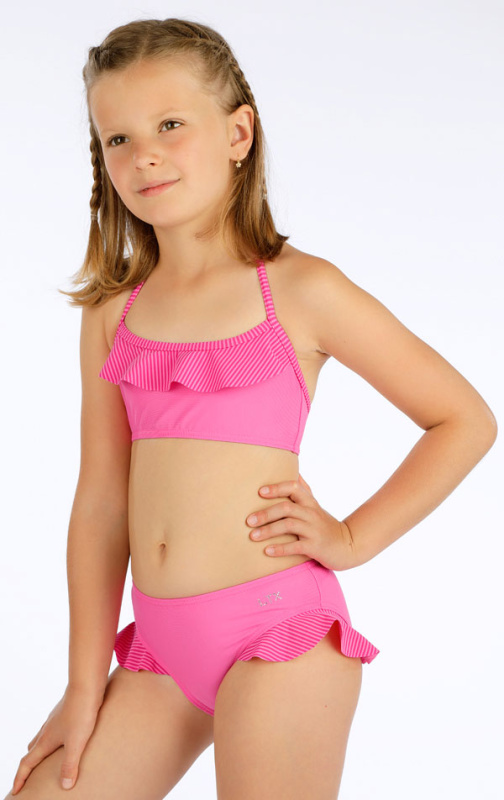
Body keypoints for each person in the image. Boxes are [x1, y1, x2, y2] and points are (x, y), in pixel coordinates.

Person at [7, 16, 497, 800]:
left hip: (280, 634)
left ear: (239, 132)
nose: (144, 155)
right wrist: (83, 684)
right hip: (159, 651)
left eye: (171, 125)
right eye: (118, 138)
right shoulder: (113, 311)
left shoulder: (303, 290)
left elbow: (464, 420)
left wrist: (351, 538)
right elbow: (100, 504)